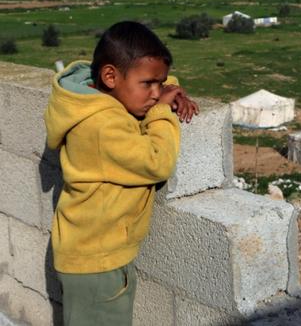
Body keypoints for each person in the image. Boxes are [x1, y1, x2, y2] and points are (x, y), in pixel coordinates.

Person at [44, 21, 198, 325]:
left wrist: (167, 89)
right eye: (148, 84)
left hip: (93, 255)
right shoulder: (101, 125)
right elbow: (157, 161)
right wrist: (161, 113)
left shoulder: (94, 99)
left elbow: (145, 77)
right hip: (97, 265)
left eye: (161, 83)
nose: (156, 93)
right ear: (110, 76)